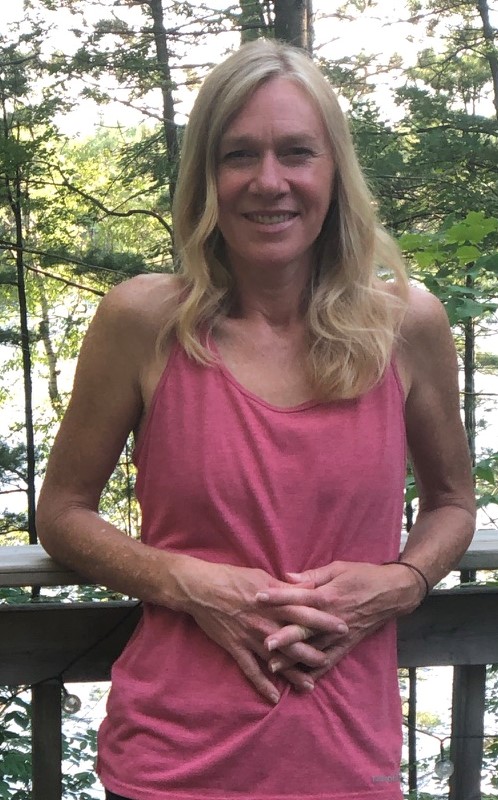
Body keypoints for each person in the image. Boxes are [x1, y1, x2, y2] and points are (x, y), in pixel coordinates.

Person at [36, 37, 475, 800]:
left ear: (334, 172)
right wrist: (189, 582)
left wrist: (403, 581)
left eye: (297, 153)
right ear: (207, 175)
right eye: (239, 155)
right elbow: (63, 513)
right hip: (168, 769)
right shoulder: (144, 320)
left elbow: (453, 504)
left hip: (351, 767)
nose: (268, 182)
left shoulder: (406, 324)